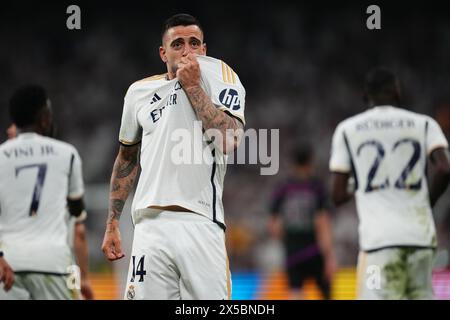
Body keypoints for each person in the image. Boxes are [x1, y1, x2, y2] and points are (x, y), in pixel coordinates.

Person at [101, 13, 246, 300]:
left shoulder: (220, 75)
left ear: (204, 49)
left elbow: (230, 139)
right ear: (163, 52)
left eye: (194, 43)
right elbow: (127, 158)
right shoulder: (138, 93)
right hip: (148, 227)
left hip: (200, 222)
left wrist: (193, 86)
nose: (187, 50)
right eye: (178, 44)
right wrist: (112, 222)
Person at [329, 67, 450, 299]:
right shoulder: (424, 124)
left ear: (366, 96)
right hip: (421, 240)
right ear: (397, 92)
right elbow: (444, 167)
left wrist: (361, 182)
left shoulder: (348, 129)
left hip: (378, 244)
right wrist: (429, 201)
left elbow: (337, 194)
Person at [0, 85, 87, 299]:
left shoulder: (1, 156)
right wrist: (83, 279)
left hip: (8, 263)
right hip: (54, 262)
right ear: (45, 118)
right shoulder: (67, 154)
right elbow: (77, 215)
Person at [269, 144, 336, 299]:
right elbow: (322, 222)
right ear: (310, 162)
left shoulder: (284, 188)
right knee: (325, 293)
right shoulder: (317, 187)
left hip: (293, 251)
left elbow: (273, 225)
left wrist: (289, 240)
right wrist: (329, 256)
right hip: (315, 249)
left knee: (295, 292)